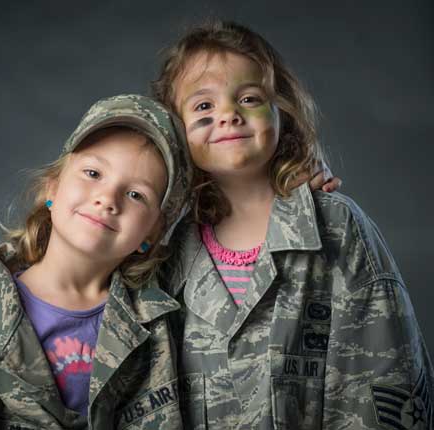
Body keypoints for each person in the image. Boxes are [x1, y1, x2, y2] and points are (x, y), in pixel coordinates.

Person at [153, 21, 434, 429]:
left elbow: (388, 375)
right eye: (203, 107)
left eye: (248, 98)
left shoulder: (335, 226)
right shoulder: (173, 253)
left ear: (280, 112)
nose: (229, 115)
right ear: (175, 133)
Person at [0, 94, 193, 430]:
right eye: (93, 173)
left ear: (151, 233)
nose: (107, 198)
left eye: (136, 194)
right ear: (53, 188)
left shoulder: (151, 323)